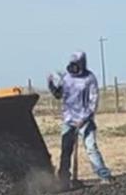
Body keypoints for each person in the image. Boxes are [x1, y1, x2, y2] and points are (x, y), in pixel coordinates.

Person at [47, 51, 113, 185]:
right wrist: (51, 84)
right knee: (66, 151)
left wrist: (85, 119)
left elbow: (93, 101)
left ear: (82, 64)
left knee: (91, 148)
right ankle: (64, 179)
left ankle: (104, 175)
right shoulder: (66, 78)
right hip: (69, 121)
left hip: (85, 121)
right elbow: (58, 95)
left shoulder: (90, 79)